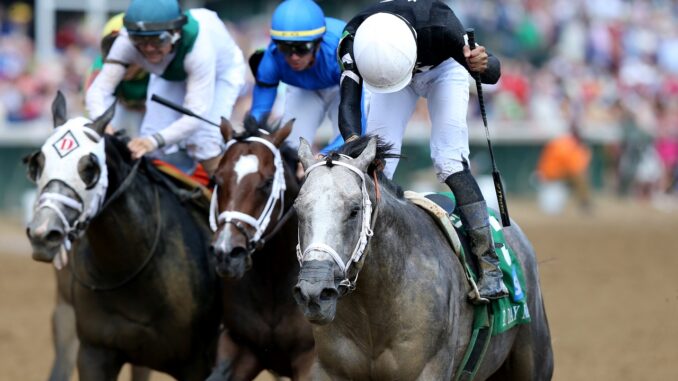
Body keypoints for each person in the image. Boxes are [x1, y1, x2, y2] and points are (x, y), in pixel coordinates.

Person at [337, 0, 507, 303]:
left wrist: (484, 62)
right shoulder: (354, 40)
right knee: (374, 164)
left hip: (444, 69)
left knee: (449, 160)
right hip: (388, 80)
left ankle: (488, 263)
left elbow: (492, 72)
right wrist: (354, 144)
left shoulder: (442, 25)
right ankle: (359, 254)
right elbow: (348, 104)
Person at [86, 0, 246, 175]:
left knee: (204, 140)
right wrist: (104, 124)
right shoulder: (126, 41)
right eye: (139, 39)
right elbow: (98, 91)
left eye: (158, 39)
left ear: (176, 32)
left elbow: (195, 116)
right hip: (172, 72)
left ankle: (220, 197)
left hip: (220, 73)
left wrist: (153, 141)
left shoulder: (199, 48)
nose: (148, 48)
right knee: (151, 142)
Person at [249, 0, 365, 153]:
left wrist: (325, 155)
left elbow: (357, 130)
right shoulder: (270, 59)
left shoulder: (340, 52)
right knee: (291, 150)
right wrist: (249, 137)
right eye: (285, 48)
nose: (294, 57)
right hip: (302, 89)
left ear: (318, 43)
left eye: (302, 48)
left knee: (348, 152)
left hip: (344, 87)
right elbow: (259, 113)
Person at [84, 12, 149, 137]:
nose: (120, 57)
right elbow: (91, 109)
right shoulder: (99, 68)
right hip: (121, 107)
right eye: (112, 49)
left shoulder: (156, 63)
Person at [536, 122, 592, 214]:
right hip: (552, 175)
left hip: (554, 174)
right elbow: (574, 168)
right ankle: (584, 204)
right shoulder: (566, 144)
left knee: (579, 176)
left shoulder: (564, 142)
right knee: (580, 178)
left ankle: (584, 203)